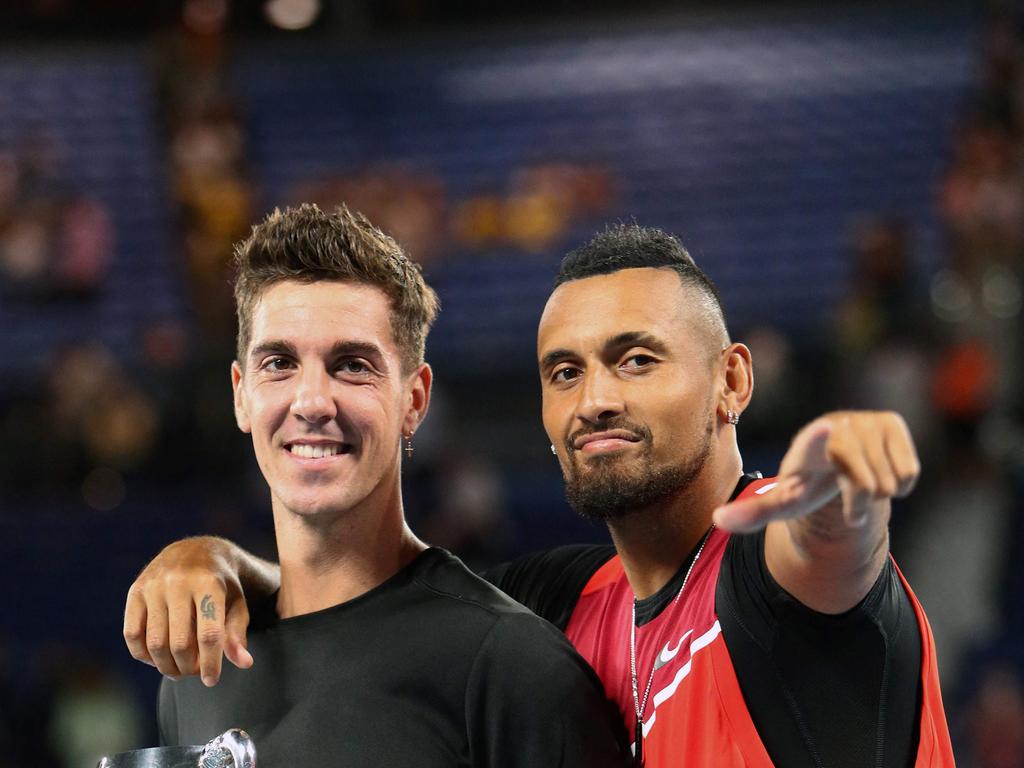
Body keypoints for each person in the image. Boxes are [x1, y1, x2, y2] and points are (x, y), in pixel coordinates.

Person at [126, 224, 954, 766]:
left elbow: (825, 560)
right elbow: (364, 606)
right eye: (566, 372)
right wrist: (208, 560)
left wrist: (845, 495)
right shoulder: (570, 600)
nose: (595, 398)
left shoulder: (765, 575)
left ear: (730, 380)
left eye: (636, 360)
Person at [141, 203, 628, 767]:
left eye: (352, 365)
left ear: (414, 400)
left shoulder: (507, 663)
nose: (312, 402)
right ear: (240, 394)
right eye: (279, 362)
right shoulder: (199, 667)